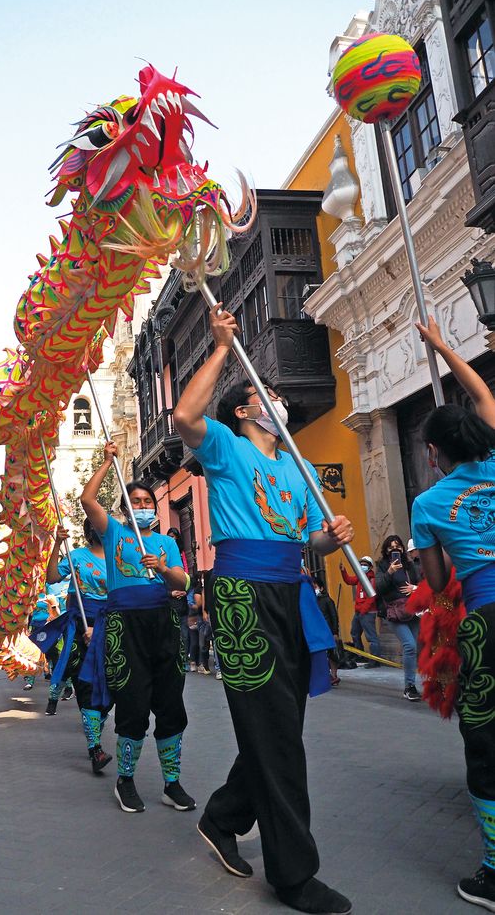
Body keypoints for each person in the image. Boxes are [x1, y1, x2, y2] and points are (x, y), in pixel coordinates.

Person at [173, 306, 354, 915]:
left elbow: (312, 540)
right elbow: (183, 417)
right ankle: (294, 875)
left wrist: (334, 534)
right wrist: (223, 348)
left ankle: (224, 816)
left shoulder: (296, 467)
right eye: (265, 394)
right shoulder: (224, 446)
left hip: (292, 592)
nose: (276, 400)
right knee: (276, 732)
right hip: (243, 595)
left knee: (279, 727)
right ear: (246, 411)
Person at [410, 316, 495, 910]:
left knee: (486, 740)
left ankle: (494, 872)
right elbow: (485, 395)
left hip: (487, 622)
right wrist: (441, 345)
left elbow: (438, 583)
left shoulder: (429, 501)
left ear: (434, 452)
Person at [81, 451, 195, 814]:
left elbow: (183, 580)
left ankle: (172, 783)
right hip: (124, 627)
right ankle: (126, 780)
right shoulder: (113, 532)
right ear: (125, 507)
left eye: (147, 501)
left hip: (163, 624)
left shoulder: (166, 544)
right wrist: (106, 461)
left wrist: (162, 568)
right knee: (132, 704)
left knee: (171, 704)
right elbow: (87, 500)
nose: (143, 505)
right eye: (135, 501)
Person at [46, 518, 113, 774]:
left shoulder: (119, 557)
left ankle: (95, 725)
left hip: (112, 627)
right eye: (93, 525)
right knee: (85, 685)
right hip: (80, 627)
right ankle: (95, 748)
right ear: (88, 532)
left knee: (112, 686)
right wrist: (57, 543)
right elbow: (52, 577)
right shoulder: (75, 557)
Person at [375, 535, 420, 700]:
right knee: (409, 645)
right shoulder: (382, 567)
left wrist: (414, 588)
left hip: (413, 610)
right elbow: (378, 588)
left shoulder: (410, 566)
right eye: (391, 547)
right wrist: (389, 572)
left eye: (398, 546)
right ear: (386, 550)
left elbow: (422, 583)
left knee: (416, 647)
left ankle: (415, 683)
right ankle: (410, 686)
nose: (395, 549)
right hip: (394, 612)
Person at [340, 556, 379, 667]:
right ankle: (360, 655)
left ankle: (375, 660)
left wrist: (363, 610)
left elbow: (372, 597)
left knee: (371, 637)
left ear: (370, 567)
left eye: (365, 564)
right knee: (355, 633)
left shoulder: (372, 579)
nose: (362, 566)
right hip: (359, 612)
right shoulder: (360, 577)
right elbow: (349, 580)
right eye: (361, 564)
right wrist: (343, 571)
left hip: (367, 612)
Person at [167, 528, 191, 671]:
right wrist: (171, 593)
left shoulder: (183, 555)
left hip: (182, 604)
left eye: (174, 537)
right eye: (170, 537)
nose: (172, 540)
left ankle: (184, 660)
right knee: (172, 635)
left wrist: (185, 591)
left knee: (185, 635)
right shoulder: (164, 555)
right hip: (170, 604)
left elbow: (188, 578)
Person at [313, 578, 340, 686]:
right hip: (317, 632)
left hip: (328, 631)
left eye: (315, 587)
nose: (313, 590)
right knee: (322, 655)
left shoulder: (327, 600)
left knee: (332, 654)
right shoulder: (311, 601)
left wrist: (335, 632)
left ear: (321, 588)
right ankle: (327, 676)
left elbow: (334, 616)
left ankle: (333, 675)